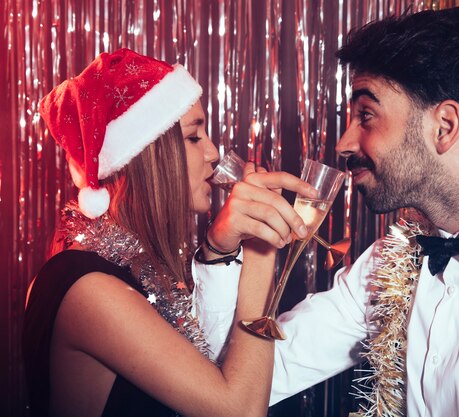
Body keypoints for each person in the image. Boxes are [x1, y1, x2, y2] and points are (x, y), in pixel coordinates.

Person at [194, 7, 459, 417]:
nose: (344, 143)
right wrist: (220, 252)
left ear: (445, 127)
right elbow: (235, 385)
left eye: (366, 114)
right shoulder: (386, 268)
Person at [22, 48, 316, 417]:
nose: (213, 153)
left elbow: (211, 365)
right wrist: (260, 250)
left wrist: (218, 249)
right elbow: (239, 410)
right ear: (146, 155)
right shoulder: (88, 288)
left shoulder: (145, 275)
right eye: (194, 137)